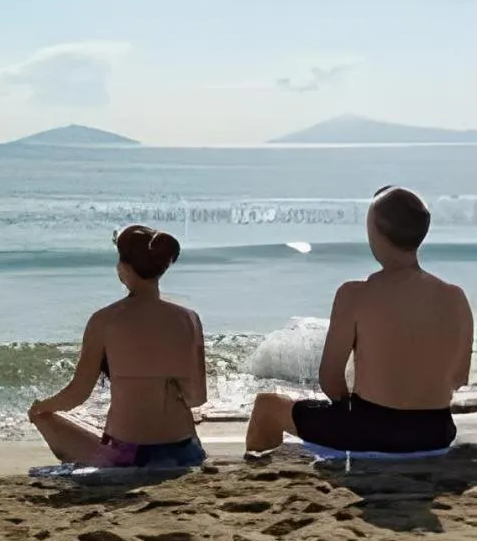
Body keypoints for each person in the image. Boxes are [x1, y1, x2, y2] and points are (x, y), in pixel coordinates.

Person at [246, 186, 472, 455]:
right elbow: (458, 378)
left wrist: (354, 410)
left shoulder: (354, 295)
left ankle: (260, 468)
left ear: (374, 232)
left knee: (267, 406)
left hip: (370, 431)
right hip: (435, 432)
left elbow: (330, 380)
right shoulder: (456, 298)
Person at [28, 225, 207, 468]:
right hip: (186, 452)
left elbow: (77, 394)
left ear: (123, 266)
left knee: (43, 417)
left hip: (128, 456)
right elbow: (197, 398)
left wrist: (41, 406)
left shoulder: (104, 320)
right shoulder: (189, 318)